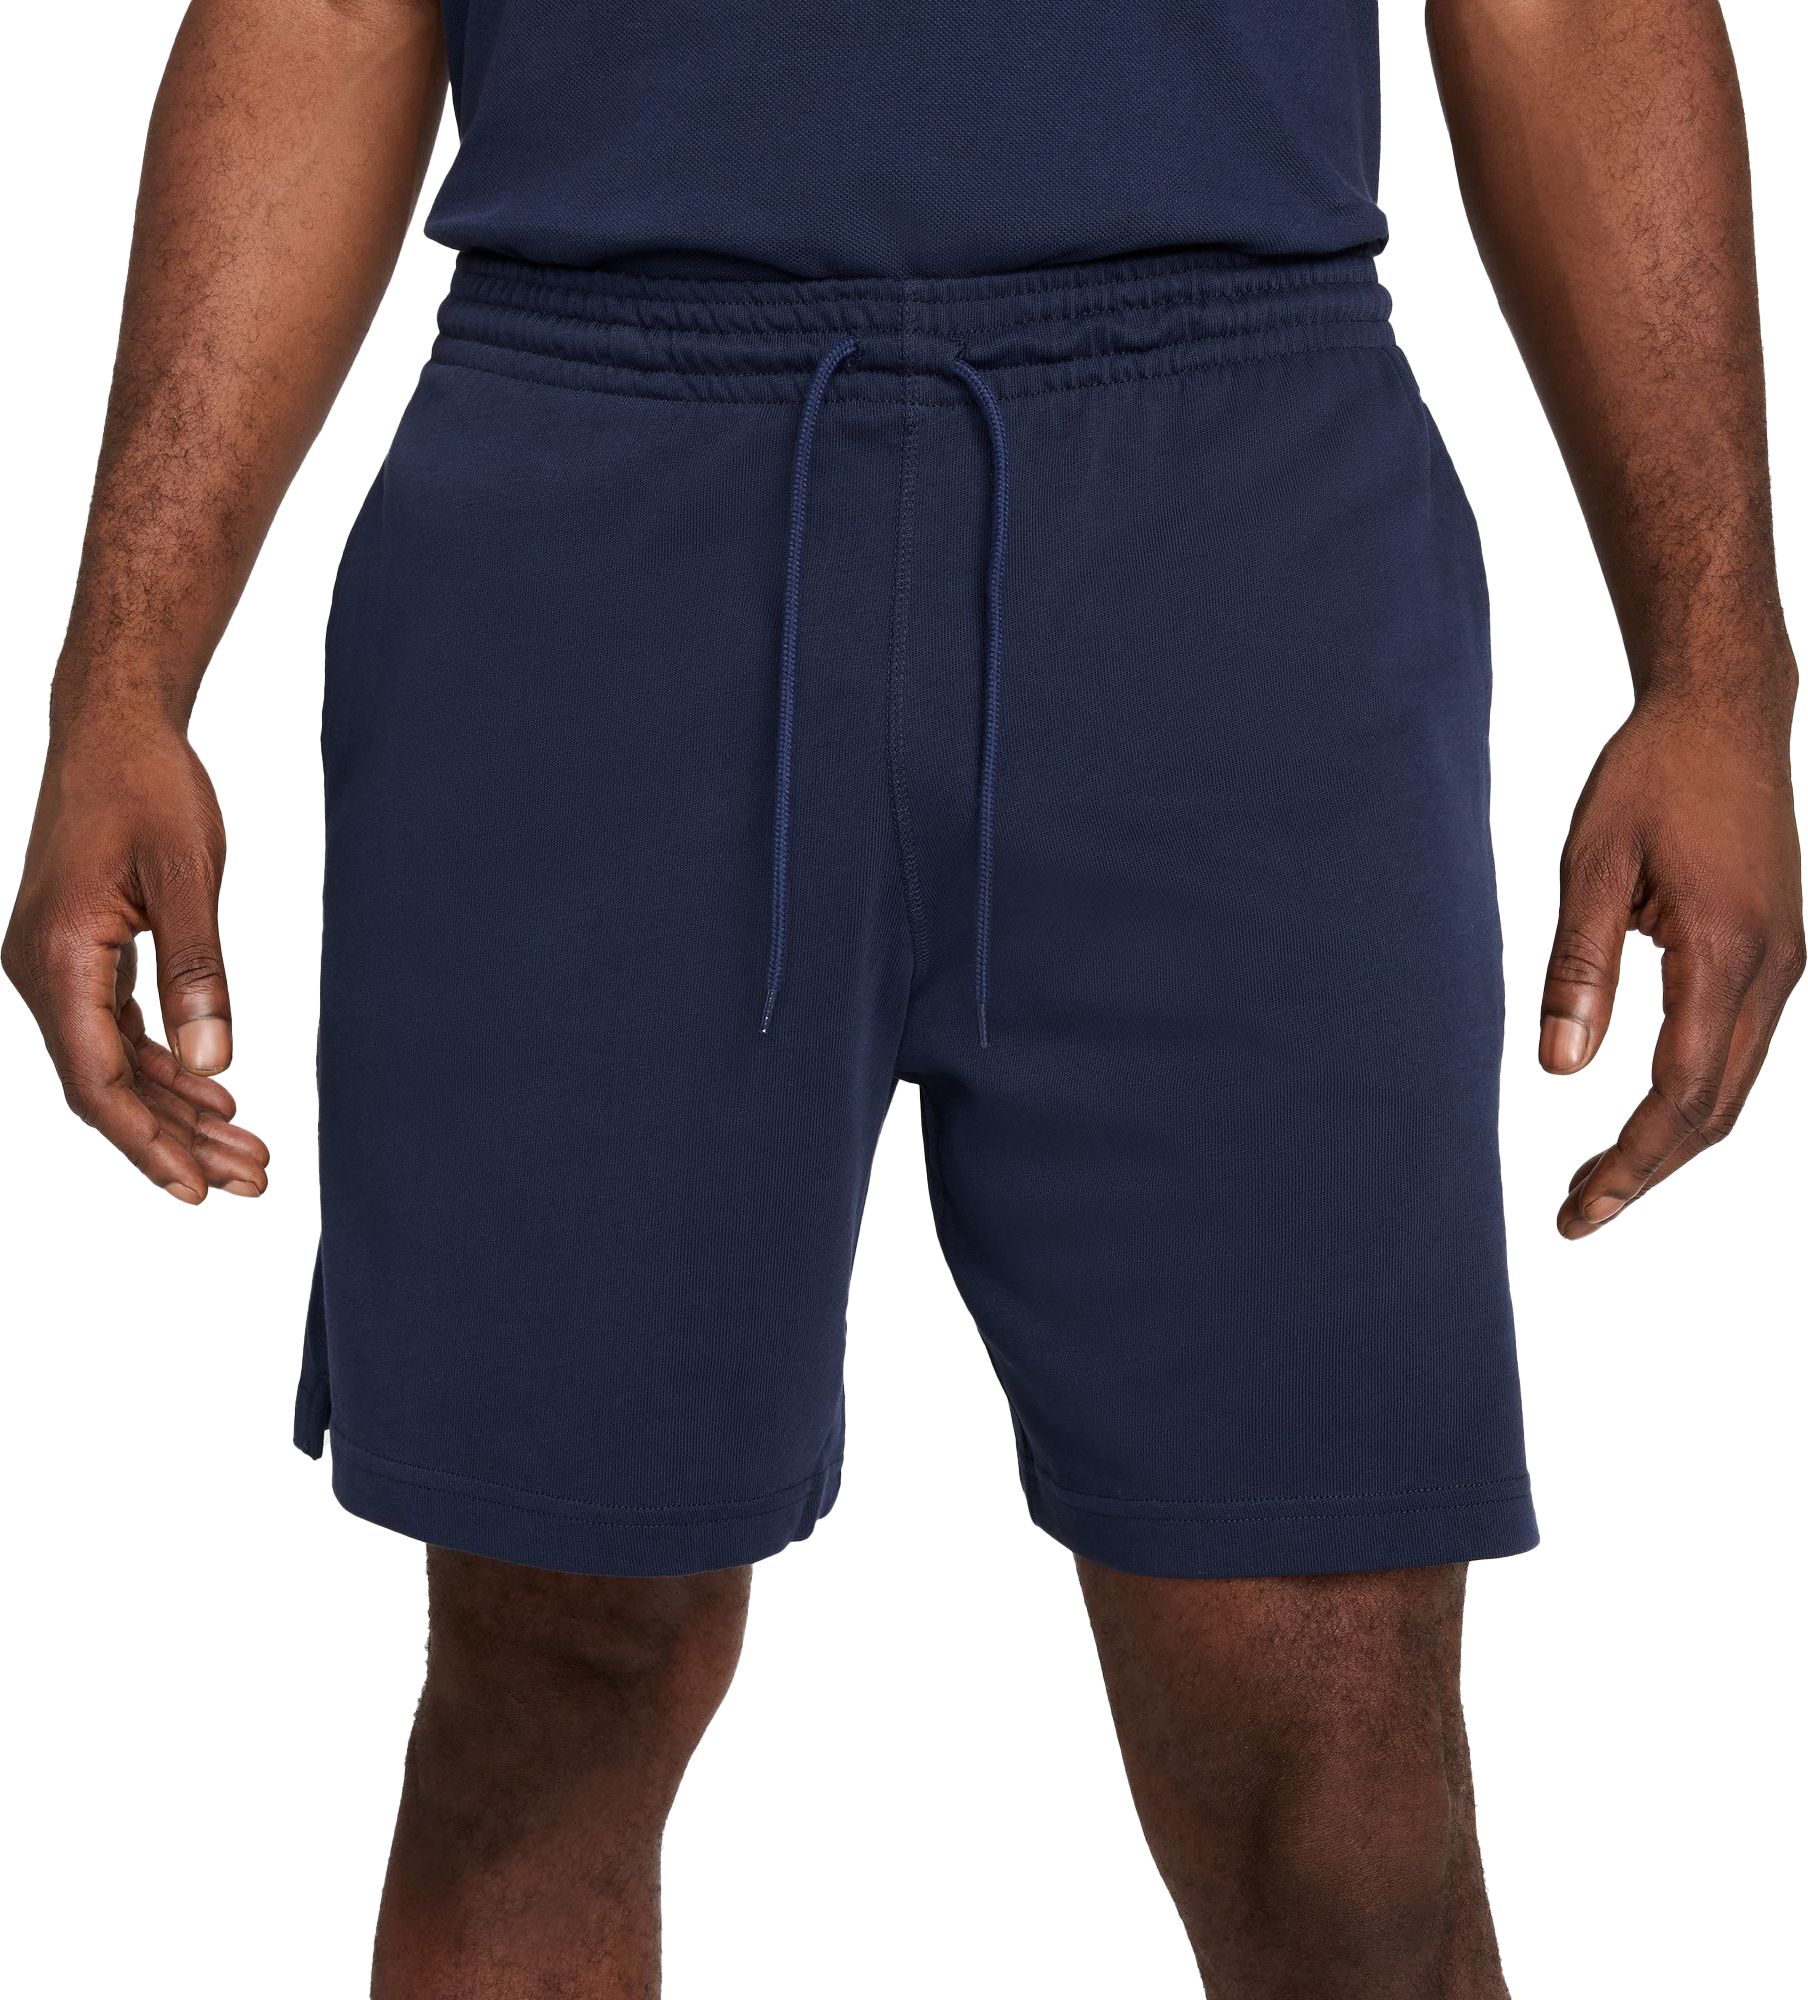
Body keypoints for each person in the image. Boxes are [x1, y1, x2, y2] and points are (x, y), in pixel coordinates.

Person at [5, 1, 1800, 1993]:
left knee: (1335, 1760)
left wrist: (1718, 671)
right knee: (553, 1678)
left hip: (1230, 527)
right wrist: (122, 680)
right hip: (595, 517)